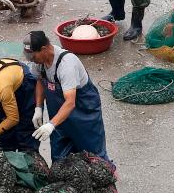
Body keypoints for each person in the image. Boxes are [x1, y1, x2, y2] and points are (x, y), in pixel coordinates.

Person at [25, 31, 110, 162]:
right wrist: (38, 107)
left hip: (83, 113)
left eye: (33, 56)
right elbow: (40, 81)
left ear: (43, 49)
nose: (32, 60)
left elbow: (70, 102)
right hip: (60, 116)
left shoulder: (66, 64)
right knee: (60, 159)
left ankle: (107, 179)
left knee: (93, 155)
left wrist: (51, 125)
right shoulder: (39, 62)